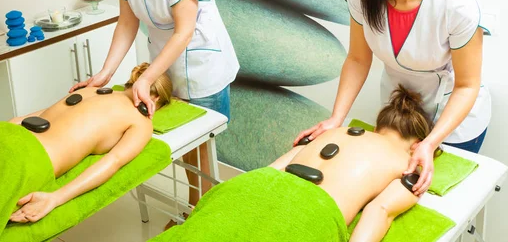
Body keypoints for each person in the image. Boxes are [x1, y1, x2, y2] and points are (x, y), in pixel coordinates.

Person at [294, 0, 490, 197]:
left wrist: (430, 142)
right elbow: (358, 59)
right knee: (383, 194)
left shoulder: (455, 2)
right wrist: (336, 119)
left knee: (429, 203)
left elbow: (466, 85)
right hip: (399, 115)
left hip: (452, 118)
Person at [70, 0, 240, 217]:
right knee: (189, 154)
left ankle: (202, 219)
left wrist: (146, 79)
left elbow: (184, 32)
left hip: (202, 66)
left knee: (203, 155)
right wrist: (104, 75)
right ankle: (195, 213)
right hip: (165, 67)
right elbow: (127, 23)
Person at [0, 62, 172, 240]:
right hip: (22, 159)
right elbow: (112, 162)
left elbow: (32, 117)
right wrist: (55, 197)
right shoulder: (141, 122)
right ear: (156, 99)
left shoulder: (92, 90)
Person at [153, 85, 440, 242]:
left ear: (379, 126)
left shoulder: (333, 131)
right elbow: (380, 211)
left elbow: (276, 167)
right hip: (311, 212)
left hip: (251, 187)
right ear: (418, 145)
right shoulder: (407, 164)